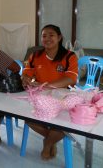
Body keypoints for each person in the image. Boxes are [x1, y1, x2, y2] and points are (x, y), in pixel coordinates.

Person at [22, 24, 78, 160]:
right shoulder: (35, 56)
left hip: (62, 97)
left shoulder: (69, 56)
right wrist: (25, 79)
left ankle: (47, 144)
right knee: (28, 119)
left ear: (59, 37)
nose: (47, 38)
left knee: (63, 125)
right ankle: (50, 139)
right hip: (40, 96)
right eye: (44, 36)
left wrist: (46, 85)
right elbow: (26, 73)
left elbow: (71, 79)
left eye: (51, 35)